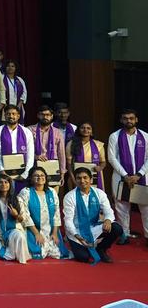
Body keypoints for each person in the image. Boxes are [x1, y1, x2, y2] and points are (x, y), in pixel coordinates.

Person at [63, 168, 121, 264]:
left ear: (91, 179)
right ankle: (75, 244)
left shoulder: (99, 193)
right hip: (77, 230)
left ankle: (101, 249)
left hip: (94, 227)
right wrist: (76, 235)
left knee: (116, 228)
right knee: (83, 257)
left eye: (85, 178)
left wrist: (107, 220)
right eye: (79, 178)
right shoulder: (70, 196)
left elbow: (108, 211)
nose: (82, 181)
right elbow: (68, 220)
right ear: (75, 180)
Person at [107, 109, 147, 244]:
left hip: (142, 176)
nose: (128, 120)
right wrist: (125, 175)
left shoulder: (146, 136)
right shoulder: (114, 136)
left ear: (136, 120)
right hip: (120, 177)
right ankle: (124, 235)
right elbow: (112, 158)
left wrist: (138, 174)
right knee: (121, 205)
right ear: (121, 120)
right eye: (125, 118)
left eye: (131, 118)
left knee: (146, 207)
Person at [18, 167, 65, 260]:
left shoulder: (52, 192)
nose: (40, 177)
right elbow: (25, 215)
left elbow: (56, 214)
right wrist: (36, 233)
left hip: (50, 229)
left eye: (42, 175)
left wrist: (55, 233)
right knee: (37, 252)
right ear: (31, 178)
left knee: (58, 252)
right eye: (36, 176)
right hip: (33, 229)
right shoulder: (25, 192)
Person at [0, 174, 30, 264]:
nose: (3, 184)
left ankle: (22, 260)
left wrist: (16, 215)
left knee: (19, 236)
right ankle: (12, 251)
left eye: (6, 182)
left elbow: (23, 219)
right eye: (0, 182)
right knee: (6, 255)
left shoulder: (17, 199)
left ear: (10, 184)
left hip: (13, 229)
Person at [0, 106, 34, 190]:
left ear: (18, 116)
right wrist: (2, 171)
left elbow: (30, 155)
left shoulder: (26, 132)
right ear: (4, 116)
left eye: (13, 114)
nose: (11, 116)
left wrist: (25, 174)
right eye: (8, 114)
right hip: (3, 173)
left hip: (22, 173)